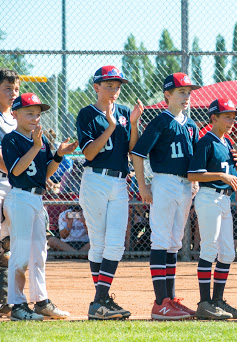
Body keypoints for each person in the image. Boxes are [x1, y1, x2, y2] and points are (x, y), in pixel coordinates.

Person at [76, 65, 143, 320]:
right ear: (96, 87)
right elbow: (89, 153)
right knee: (100, 243)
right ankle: (101, 301)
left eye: (117, 86)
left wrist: (133, 123)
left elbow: (133, 149)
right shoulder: (87, 114)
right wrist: (111, 127)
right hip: (95, 180)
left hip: (119, 182)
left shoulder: (125, 112)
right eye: (109, 85)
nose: (115, 90)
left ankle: (100, 301)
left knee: (115, 243)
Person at [131, 72, 200, 320]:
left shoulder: (191, 125)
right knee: (161, 240)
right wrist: (143, 185)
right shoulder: (161, 120)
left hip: (185, 186)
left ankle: (170, 300)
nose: (186, 96)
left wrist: (195, 182)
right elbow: (138, 153)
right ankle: (160, 303)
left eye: (189, 92)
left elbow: (195, 160)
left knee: (174, 242)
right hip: (164, 182)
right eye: (181, 92)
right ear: (167, 95)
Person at [3, 93, 77, 320]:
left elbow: (45, 173)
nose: (35, 118)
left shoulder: (41, 140)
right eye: (29, 113)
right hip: (20, 198)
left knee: (39, 256)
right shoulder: (11, 139)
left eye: (37, 114)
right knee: (21, 254)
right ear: (15, 114)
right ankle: (17, 305)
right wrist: (35, 147)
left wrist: (58, 156)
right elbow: (15, 171)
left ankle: (41, 301)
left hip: (37, 199)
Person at [188, 98, 237, 320]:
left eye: (233, 116)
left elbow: (230, 172)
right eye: (227, 116)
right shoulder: (207, 142)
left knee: (228, 253)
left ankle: (218, 301)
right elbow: (193, 174)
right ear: (214, 117)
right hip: (209, 197)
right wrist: (222, 175)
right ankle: (204, 303)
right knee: (209, 249)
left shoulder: (227, 142)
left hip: (224, 200)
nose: (232, 120)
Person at [0, 68, 20, 318]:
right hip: (4, 181)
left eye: (16, 89)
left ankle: (5, 299)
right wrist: (20, 171)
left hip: (14, 185)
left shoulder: (16, 118)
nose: (13, 93)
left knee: (8, 244)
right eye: (7, 88)